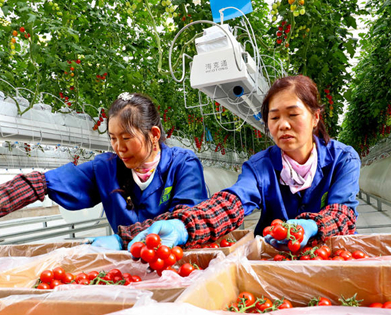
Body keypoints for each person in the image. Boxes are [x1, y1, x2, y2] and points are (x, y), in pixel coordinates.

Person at [0, 92, 209, 252]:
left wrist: (121, 240)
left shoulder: (183, 165)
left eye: (126, 138)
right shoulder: (107, 168)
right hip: (131, 272)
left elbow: (185, 219)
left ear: (153, 134)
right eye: (113, 138)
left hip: (177, 267)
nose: (119, 148)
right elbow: (42, 183)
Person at [122, 75, 359, 251]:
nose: (283, 125)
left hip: (330, 256)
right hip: (275, 261)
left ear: (315, 117)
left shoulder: (343, 159)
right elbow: (231, 204)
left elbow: (343, 214)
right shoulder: (260, 167)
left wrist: (312, 226)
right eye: (274, 117)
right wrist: (183, 226)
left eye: (293, 114)